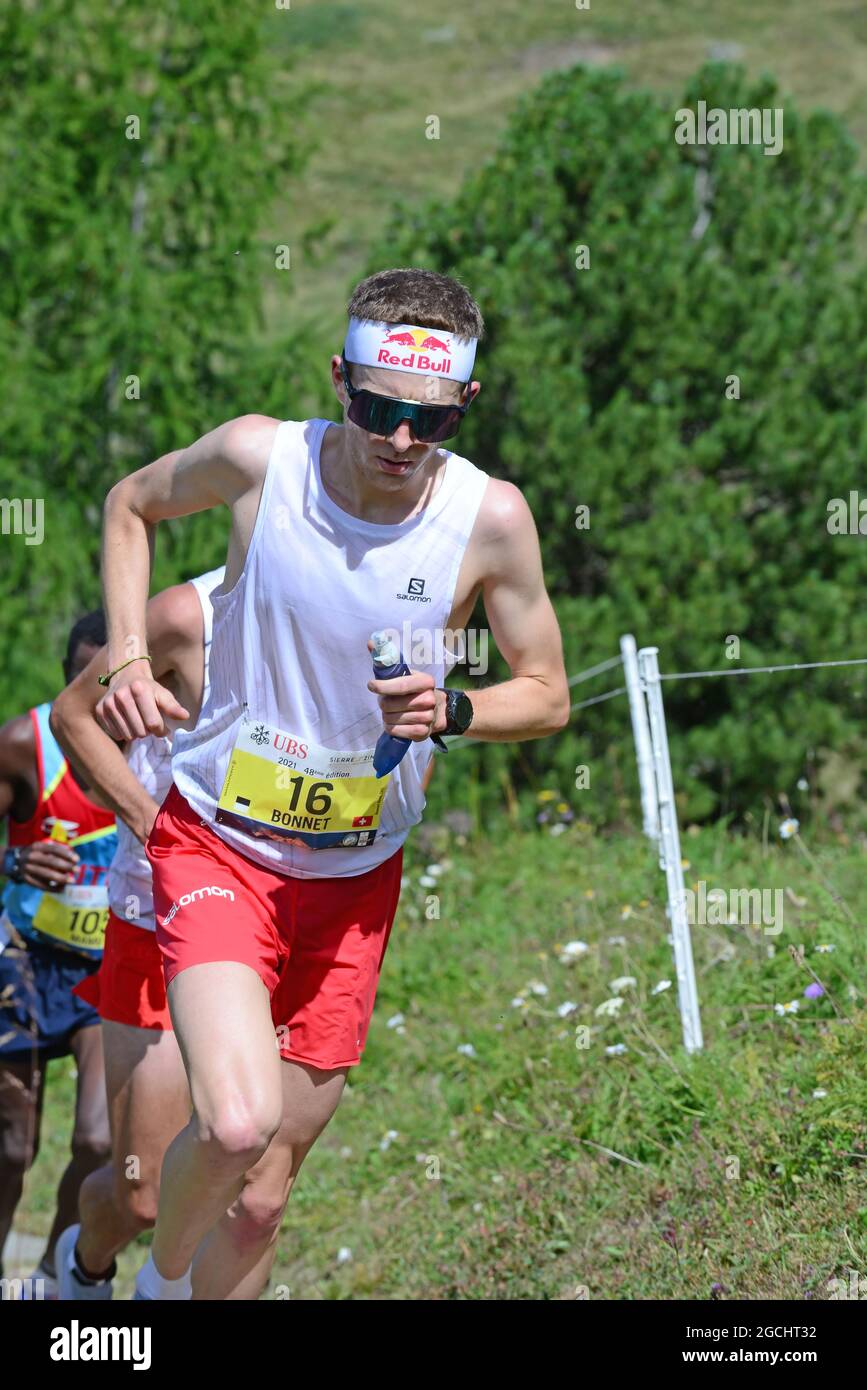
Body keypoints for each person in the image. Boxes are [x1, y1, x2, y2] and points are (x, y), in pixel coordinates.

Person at [96, 266, 570, 1300]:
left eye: (427, 419)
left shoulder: (490, 518)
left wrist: (455, 710)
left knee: (262, 1197)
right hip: (219, 840)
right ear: (338, 381)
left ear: (465, 406)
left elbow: (547, 692)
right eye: (375, 408)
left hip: (357, 882)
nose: (399, 439)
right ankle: (153, 1292)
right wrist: (128, 655)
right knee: (232, 1122)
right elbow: (129, 505)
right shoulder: (263, 457)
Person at [47, 569, 223, 1300]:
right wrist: (164, 839)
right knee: (142, 1194)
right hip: (156, 919)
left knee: (248, 1190)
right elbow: (74, 718)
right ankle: (84, 1263)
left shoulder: (354, 606)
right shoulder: (192, 614)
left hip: (286, 918)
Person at [0, 613, 116, 1297]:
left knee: (100, 1143)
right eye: (84, 682)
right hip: (20, 959)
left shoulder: (166, 746)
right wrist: (15, 861)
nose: (101, 701)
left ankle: (54, 1280)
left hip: (107, 967)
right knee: (12, 1146)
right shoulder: (23, 743)